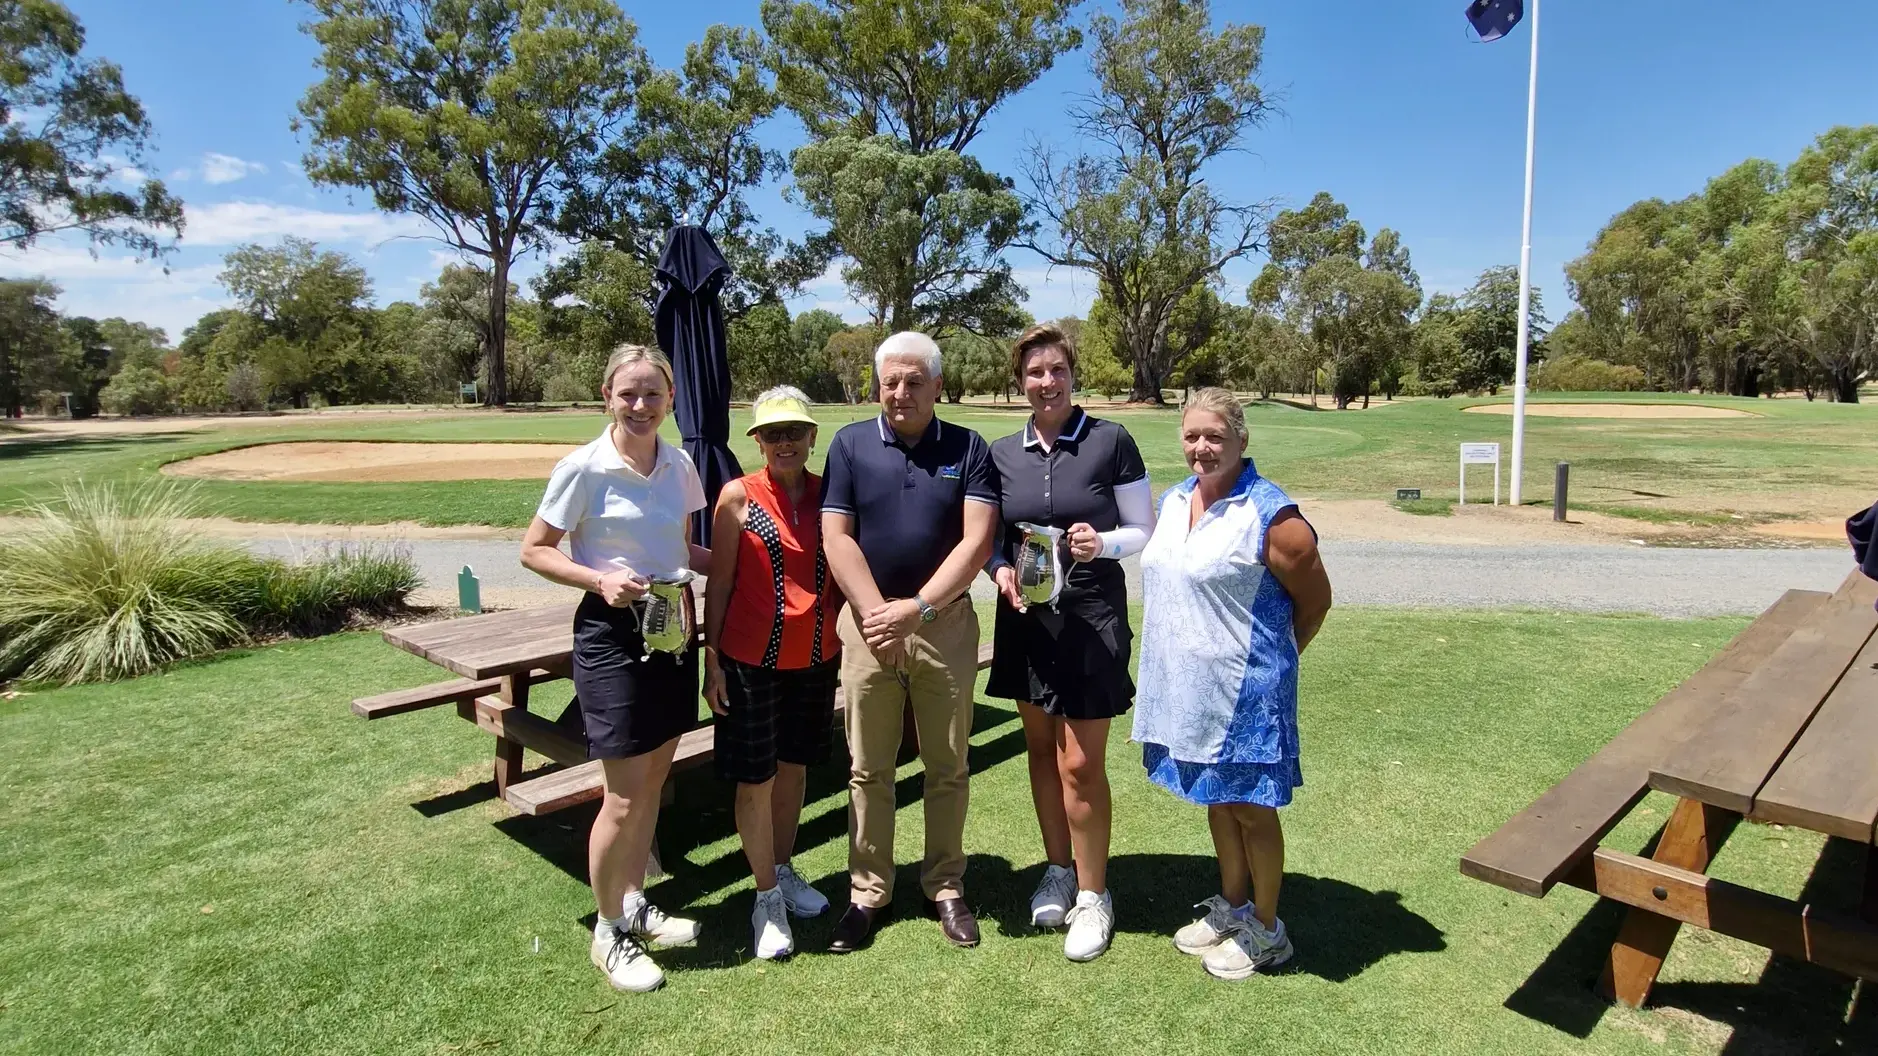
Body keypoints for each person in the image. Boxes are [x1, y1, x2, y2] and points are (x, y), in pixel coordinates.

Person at [519, 344, 710, 994]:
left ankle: (632, 903)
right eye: (627, 393)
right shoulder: (583, 468)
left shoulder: (680, 465)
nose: (639, 405)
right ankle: (608, 933)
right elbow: (534, 551)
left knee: (654, 780)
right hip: (610, 635)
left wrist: (760, 559)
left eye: (652, 394)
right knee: (625, 793)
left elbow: (680, 545)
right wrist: (599, 578)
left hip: (671, 626)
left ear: (670, 401)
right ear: (607, 396)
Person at [1132, 386, 1333, 982]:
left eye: (1214, 436)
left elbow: (1315, 602)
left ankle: (1268, 932)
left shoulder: (1275, 518)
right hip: (1190, 692)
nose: (1201, 447)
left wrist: (1273, 665)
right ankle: (1234, 906)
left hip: (1246, 693)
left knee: (1251, 810)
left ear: (1242, 440)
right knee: (1218, 801)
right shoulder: (1173, 500)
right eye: (1192, 436)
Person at [819, 331, 998, 953]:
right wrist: (877, 613)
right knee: (868, 768)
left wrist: (917, 609)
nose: (901, 393)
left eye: (914, 381)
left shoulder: (968, 447)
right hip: (869, 629)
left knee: (947, 765)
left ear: (937, 386)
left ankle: (944, 885)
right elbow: (837, 538)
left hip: (942, 626)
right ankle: (868, 891)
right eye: (891, 381)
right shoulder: (849, 444)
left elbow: (976, 542)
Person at [985, 324, 1152, 962]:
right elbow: (992, 536)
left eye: (1056, 370)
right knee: (1038, 751)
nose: (1046, 382)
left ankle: (1093, 893)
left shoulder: (1111, 440)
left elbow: (1144, 528)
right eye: (1034, 373)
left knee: (1080, 762)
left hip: (1090, 617)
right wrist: (996, 570)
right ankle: (1057, 869)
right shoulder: (1002, 453)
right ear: (1019, 381)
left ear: (1072, 374)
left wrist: (1101, 543)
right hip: (1026, 619)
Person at [700, 386, 842, 961]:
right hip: (749, 660)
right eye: (773, 433)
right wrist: (711, 659)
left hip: (815, 657)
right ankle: (765, 900)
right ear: (757, 440)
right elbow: (723, 582)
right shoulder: (736, 498)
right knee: (755, 781)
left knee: (795, 771)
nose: (785, 443)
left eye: (794, 432)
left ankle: (781, 870)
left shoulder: (830, 495)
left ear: (812, 437)